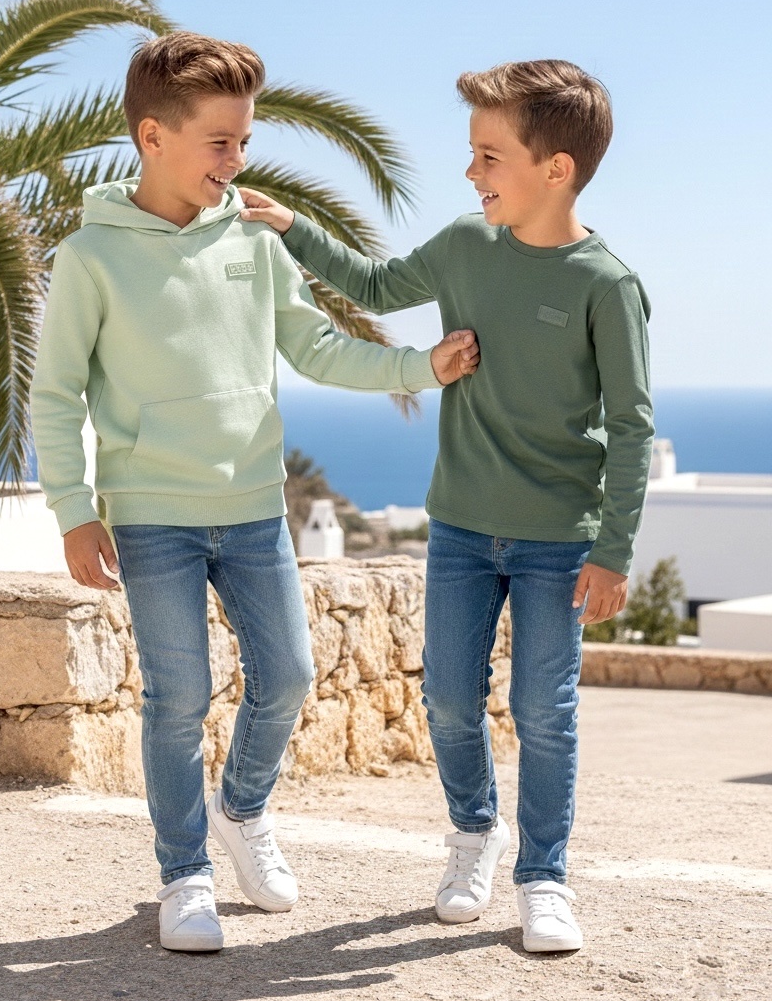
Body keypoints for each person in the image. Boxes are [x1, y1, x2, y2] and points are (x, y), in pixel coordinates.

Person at [29, 32, 479, 953]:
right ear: (153, 137)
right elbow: (56, 393)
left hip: (252, 508)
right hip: (150, 515)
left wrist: (420, 367)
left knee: (291, 678)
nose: (237, 160)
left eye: (244, 140)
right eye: (220, 142)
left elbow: (316, 347)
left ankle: (241, 810)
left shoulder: (253, 239)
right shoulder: (91, 256)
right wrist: (74, 511)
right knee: (177, 698)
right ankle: (184, 874)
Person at [239, 59, 654, 953]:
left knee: (544, 711)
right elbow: (378, 286)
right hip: (461, 528)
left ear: (557, 169)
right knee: (451, 702)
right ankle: (473, 835)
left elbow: (631, 429)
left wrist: (613, 552)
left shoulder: (606, 285)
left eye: (489, 156)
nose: (471, 173)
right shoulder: (467, 244)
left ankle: (544, 878)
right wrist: (293, 228)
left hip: (558, 542)